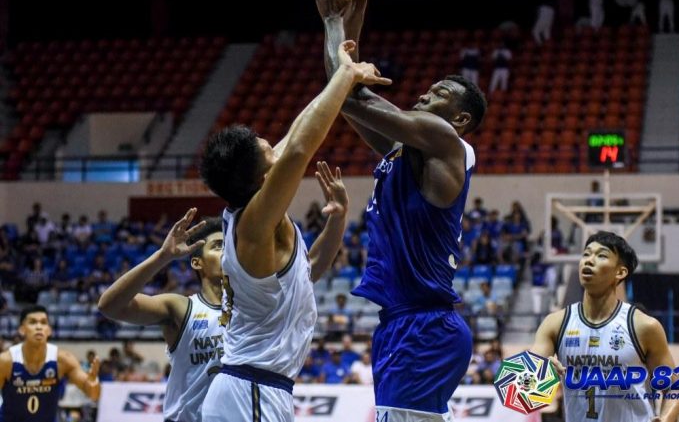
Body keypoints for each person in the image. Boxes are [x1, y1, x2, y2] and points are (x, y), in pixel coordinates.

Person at [300, 0, 486, 420]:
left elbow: (345, 91)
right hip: (405, 323)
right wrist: (358, 4)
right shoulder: (408, 151)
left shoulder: (444, 141)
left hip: (423, 326)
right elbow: (339, 90)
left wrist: (330, 20)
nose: (424, 94)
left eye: (439, 93)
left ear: (459, 119)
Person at [199, 39, 389, 422]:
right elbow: (300, 148)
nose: (278, 150)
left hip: (258, 389)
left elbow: (311, 268)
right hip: (250, 390)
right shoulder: (253, 224)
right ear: (265, 177)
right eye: (271, 152)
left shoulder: (254, 219)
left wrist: (337, 218)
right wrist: (347, 74)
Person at [531, 231, 679, 422]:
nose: (589, 260)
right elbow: (523, 394)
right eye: (586, 254)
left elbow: (674, 386)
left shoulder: (644, 326)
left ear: (620, 272)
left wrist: (666, 420)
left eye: (601, 255)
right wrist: (540, 374)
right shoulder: (555, 323)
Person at [98, 211, 225, 422]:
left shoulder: (251, 310)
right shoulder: (181, 307)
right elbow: (109, 306)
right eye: (218, 246)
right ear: (197, 263)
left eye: (231, 245)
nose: (227, 251)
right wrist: (162, 256)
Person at [0, 305, 100, 422]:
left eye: (43, 323)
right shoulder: (6, 361)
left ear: (49, 330)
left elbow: (93, 394)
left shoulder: (63, 360)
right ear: (22, 329)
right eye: (33, 322)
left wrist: (93, 381)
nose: (39, 327)